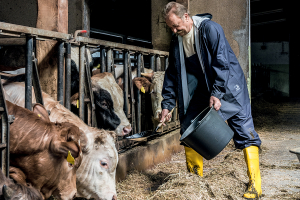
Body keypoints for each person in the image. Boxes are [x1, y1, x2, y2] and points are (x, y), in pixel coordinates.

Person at [159, 2, 262, 199]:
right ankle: (194, 183)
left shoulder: (209, 29)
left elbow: (222, 62)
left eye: (176, 25)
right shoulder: (177, 41)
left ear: (187, 17)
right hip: (205, 88)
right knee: (189, 128)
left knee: (244, 131)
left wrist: (217, 91)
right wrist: (167, 104)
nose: (173, 30)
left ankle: (255, 185)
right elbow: (171, 74)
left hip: (230, 86)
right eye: (169, 27)